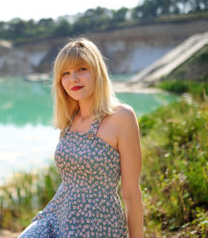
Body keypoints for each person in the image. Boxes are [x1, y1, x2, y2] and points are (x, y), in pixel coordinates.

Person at [19, 39, 143, 237]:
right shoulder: (68, 120)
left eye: (81, 69)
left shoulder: (122, 117)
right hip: (57, 217)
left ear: (97, 71)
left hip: (99, 225)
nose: (73, 79)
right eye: (65, 73)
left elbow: (131, 193)